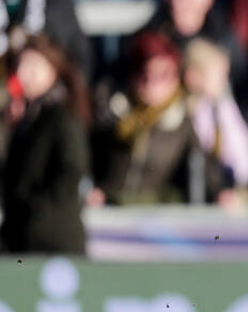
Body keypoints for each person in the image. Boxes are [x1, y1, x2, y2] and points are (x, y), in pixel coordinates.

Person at [91, 31, 212, 206]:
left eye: (163, 75)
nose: (152, 82)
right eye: (146, 73)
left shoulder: (182, 119)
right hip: (108, 203)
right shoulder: (112, 109)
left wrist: (221, 192)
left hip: (154, 208)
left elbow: (204, 165)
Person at [0, 36, 92, 255]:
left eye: (33, 66)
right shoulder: (24, 116)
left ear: (54, 69)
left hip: (51, 238)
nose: (23, 75)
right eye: (20, 66)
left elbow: (72, 169)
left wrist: (37, 209)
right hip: (19, 236)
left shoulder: (64, 114)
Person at [183, 38, 248, 208]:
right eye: (219, 75)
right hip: (203, 192)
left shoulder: (223, 106)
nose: (224, 81)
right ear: (193, 76)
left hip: (232, 185)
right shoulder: (188, 113)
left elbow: (242, 150)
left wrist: (240, 185)